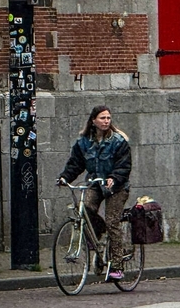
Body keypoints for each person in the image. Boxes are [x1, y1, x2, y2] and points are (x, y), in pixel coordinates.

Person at [57, 105, 132, 281]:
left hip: (116, 187)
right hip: (95, 184)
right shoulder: (83, 142)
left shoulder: (119, 141)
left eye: (108, 118)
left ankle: (117, 265)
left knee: (113, 221)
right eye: (102, 118)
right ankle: (100, 238)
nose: (106, 121)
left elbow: (124, 165)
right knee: (84, 208)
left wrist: (114, 177)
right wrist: (64, 177)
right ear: (93, 121)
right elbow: (75, 164)